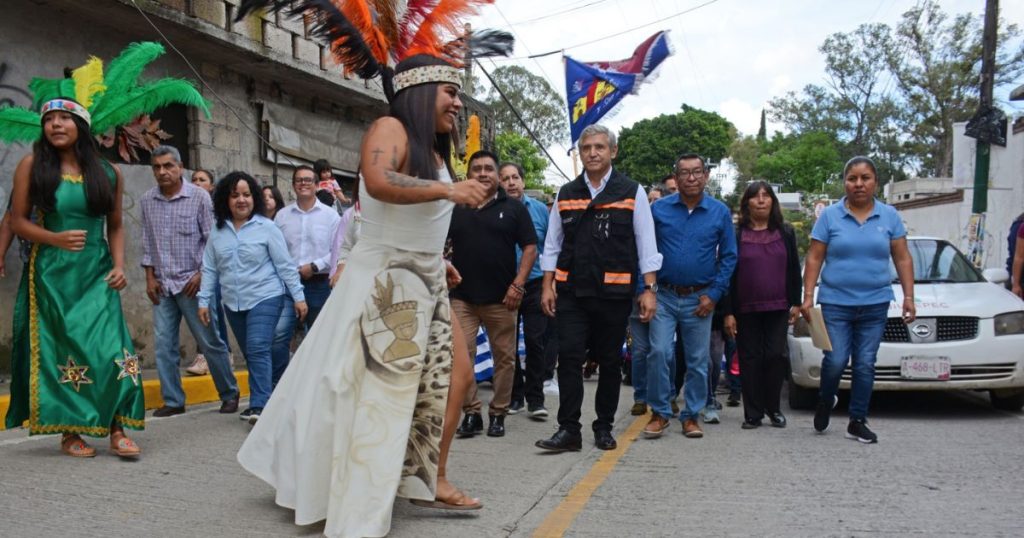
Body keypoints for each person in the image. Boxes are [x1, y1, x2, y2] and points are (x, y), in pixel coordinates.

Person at [236, 53, 490, 536]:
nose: (459, 102)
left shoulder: (436, 152)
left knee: (456, 379)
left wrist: (439, 258)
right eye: (450, 91)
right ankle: (356, 490)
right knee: (369, 393)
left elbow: (419, 220)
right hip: (385, 283)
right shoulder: (389, 128)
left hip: (425, 278)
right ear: (420, 90)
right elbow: (377, 181)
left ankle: (430, 476)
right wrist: (449, 193)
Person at [4, 97, 144, 458]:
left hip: (97, 273)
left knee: (111, 349)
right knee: (63, 352)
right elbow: (17, 220)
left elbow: (115, 226)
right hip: (52, 273)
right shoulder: (31, 165)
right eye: (50, 119)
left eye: (65, 118)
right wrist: (54, 238)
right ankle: (70, 432)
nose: (56, 125)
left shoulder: (108, 172)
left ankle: (117, 427)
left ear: (80, 126)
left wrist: (118, 265)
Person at [536, 124, 662, 452]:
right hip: (572, 293)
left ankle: (603, 427)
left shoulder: (631, 191)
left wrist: (649, 289)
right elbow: (552, 244)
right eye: (587, 148)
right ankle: (568, 430)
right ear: (580, 153)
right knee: (570, 357)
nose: (592, 153)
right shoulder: (566, 193)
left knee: (609, 362)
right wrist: (547, 285)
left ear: (613, 152)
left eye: (599, 147)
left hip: (614, 295)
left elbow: (646, 243)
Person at [801, 156, 915, 444]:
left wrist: (909, 297)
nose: (859, 184)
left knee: (865, 363)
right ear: (845, 183)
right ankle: (826, 400)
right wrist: (808, 296)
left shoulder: (889, 216)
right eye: (852, 178)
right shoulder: (830, 216)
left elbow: (902, 258)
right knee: (836, 360)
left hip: (875, 303)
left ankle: (858, 420)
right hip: (836, 303)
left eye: (865, 178)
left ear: (875, 182)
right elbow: (815, 257)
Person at [198, 171, 307, 424]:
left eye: (246, 195)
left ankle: (259, 406)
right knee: (252, 352)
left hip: (266, 296)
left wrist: (298, 297)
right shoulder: (218, 231)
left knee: (258, 347)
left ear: (254, 198)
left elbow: (285, 266)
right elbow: (210, 268)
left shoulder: (267, 228)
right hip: (233, 302)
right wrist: (204, 301)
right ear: (225, 199)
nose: (241, 200)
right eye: (235, 195)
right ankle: (272, 397)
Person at [140, 146, 240, 417]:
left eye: (168, 166)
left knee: (209, 341)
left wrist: (201, 275)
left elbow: (212, 241)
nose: (163, 172)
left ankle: (229, 393)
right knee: (163, 346)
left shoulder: (199, 198)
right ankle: (173, 400)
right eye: (157, 167)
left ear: (180, 167)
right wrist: (149, 278)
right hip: (162, 284)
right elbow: (147, 242)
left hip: (193, 283)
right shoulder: (147, 200)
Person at [644, 153, 736, 440]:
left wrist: (714, 294)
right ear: (676, 177)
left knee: (698, 361)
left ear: (706, 176)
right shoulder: (658, 210)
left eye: (697, 172)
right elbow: (644, 250)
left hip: (701, 298)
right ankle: (660, 412)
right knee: (659, 352)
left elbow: (730, 257)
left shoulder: (720, 212)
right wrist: (644, 290)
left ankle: (691, 415)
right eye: (684, 173)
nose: (691, 177)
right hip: (664, 295)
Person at [449, 152, 537, 438]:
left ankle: (498, 413)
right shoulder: (457, 207)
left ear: (498, 175)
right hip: (462, 297)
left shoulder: (513, 208)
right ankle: (471, 413)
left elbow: (530, 247)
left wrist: (518, 284)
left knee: (505, 359)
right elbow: (440, 243)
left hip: (503, 298)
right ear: (469, 174)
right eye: (477, 169)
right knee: (461, 357)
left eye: (489, 169)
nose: (483, 173)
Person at [723, 181, 801, 429]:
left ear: (773, 202)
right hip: (745, 309)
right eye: (755, 196)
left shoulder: (785, 232)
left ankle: (774, 409)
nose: (761, 200)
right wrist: (728, 312)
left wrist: (797, 303)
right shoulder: (737, 235)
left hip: (778, 307)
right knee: (750, 359)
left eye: (766, 196)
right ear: (746, 203)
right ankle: (753, 414)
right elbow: (727, 274)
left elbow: (793, 270)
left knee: (775, 357)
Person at [500, 161, 554, 419]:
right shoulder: (494, 210)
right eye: (505, 178)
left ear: (522, 181)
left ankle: (535, 400)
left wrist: (550, 284)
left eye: (515, 177)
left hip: (534, 285)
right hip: (503, 286)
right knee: (507, 345)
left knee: (535, 341)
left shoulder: (541, 211)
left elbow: (552, 247)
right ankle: (514, 398)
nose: (511, 183)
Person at [274, 165, 341, 335]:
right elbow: (275, 250)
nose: (303, 183)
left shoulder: (331, 216)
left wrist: (314, 266)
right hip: (288, 283)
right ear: (293, 185)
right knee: (280, 333)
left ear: (317, 185)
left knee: (318, 335)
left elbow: (338, 250)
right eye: (299, 180)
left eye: (308, 180)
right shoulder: (282, 216)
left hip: (319, 283)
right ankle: (285, 363)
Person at [185, 167, 231, 376]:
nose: (197, 183)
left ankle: (215, 355)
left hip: (214, 268)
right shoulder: (185, 207)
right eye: (194, 179)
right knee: (202, 312)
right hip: (191, 269)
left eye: (202, 180)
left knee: (212, 312)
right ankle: (214, 354)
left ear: (211, 186)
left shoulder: (216, 210)